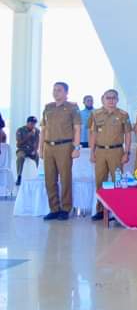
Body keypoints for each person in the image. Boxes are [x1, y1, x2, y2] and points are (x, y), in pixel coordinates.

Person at [38, 82, 81, 221]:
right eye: (54, 90)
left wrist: (76, 147)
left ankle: (65, 208)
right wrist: (40, 148)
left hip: (65, 146)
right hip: (48, 146)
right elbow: (43, 130)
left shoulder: (72, 107)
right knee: (49, 179)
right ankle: (54, 209)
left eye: (59, 90)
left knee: (65, 178)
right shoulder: (48, 107)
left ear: (66, 93)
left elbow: (77, 129)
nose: (56, 92)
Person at [88, 89, 132, 221]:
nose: (111, 100)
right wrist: (92, 151)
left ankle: (117, 210)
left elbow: (128, 134)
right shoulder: (95, 114)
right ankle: (101, 210)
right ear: (103, 99)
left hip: (116, 151)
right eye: (108, 98)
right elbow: (93, 134)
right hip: (100, 151)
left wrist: (127, 152)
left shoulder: (123, 115)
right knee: (100, 181)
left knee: (117, 181)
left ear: (117, 100)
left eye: (113, 98)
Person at [15, 116, 40, 185]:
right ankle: (19, 176)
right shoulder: (20, 130)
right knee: (20, 157)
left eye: (34, 124)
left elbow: (38, 142)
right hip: (22, 149)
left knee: (39, 157)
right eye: (32, 123)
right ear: (27, 123)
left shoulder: (37, 131)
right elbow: (18, 144)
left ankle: (41, 175)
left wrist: (35, 150)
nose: (33, 125)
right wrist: (28, 136)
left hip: (31, 150)